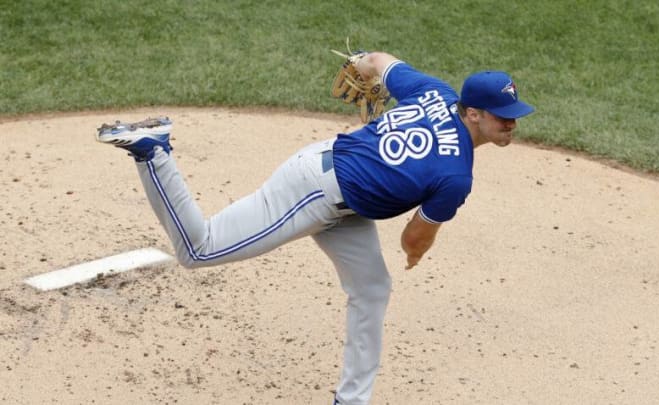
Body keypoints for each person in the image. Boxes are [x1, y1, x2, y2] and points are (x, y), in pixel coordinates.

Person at [96, 51, 534, 405]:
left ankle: (351, 400)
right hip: (314, 190)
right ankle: (154, 151)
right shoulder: (456, 176)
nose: (511, 123)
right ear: (473, 113)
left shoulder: (435, 92)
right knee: (199, 250)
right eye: (502, 116)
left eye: (513, 114)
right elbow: (411, 240)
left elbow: (380, 61)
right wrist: (419, 249)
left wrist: (360, 60)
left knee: (372, 289)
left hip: (344, 195)